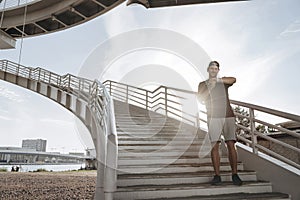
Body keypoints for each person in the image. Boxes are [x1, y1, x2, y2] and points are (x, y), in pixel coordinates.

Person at [198, 61, 242, 186]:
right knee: (214, 146)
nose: (213, 70)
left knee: (231, 144)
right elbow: (200, 99)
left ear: (218, 70)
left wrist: (218, 81)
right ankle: (217, 175)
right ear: (208, 70)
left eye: (215, 68)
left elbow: (234, 79)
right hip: (213, 117)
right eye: (211, 68)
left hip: (228, 115)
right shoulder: (202, 84)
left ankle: (235, 174)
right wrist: (210, 87)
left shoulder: (223, 81)